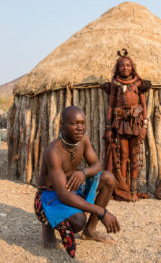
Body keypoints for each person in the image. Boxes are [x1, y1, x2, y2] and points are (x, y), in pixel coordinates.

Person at [34, 106, 120, 258]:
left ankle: (90, 231)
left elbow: (97, 165)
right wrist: (101, 212)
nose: (80, 128)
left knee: (108, 178)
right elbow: (62, 195)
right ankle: (47, 223)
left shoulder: (83, 140)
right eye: (74, 123)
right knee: (78, 221)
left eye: (83, 123)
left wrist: (83, 172)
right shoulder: (53, 151)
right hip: (51, 194)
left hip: (73, 188)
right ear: (62, 124)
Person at [104, 49, 150, 202]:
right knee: (123, 156)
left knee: (134, 157)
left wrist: (144, 126)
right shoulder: (115, 83)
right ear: (118, 68)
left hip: (136, 124)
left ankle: (134, 191)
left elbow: (143, 106)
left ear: (132, 67)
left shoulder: (138, 82)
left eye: (128, 65)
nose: (125, 68)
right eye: (122, 65)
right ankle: (122, 190)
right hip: (121, 124)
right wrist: (108, 127)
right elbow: (111, 106)